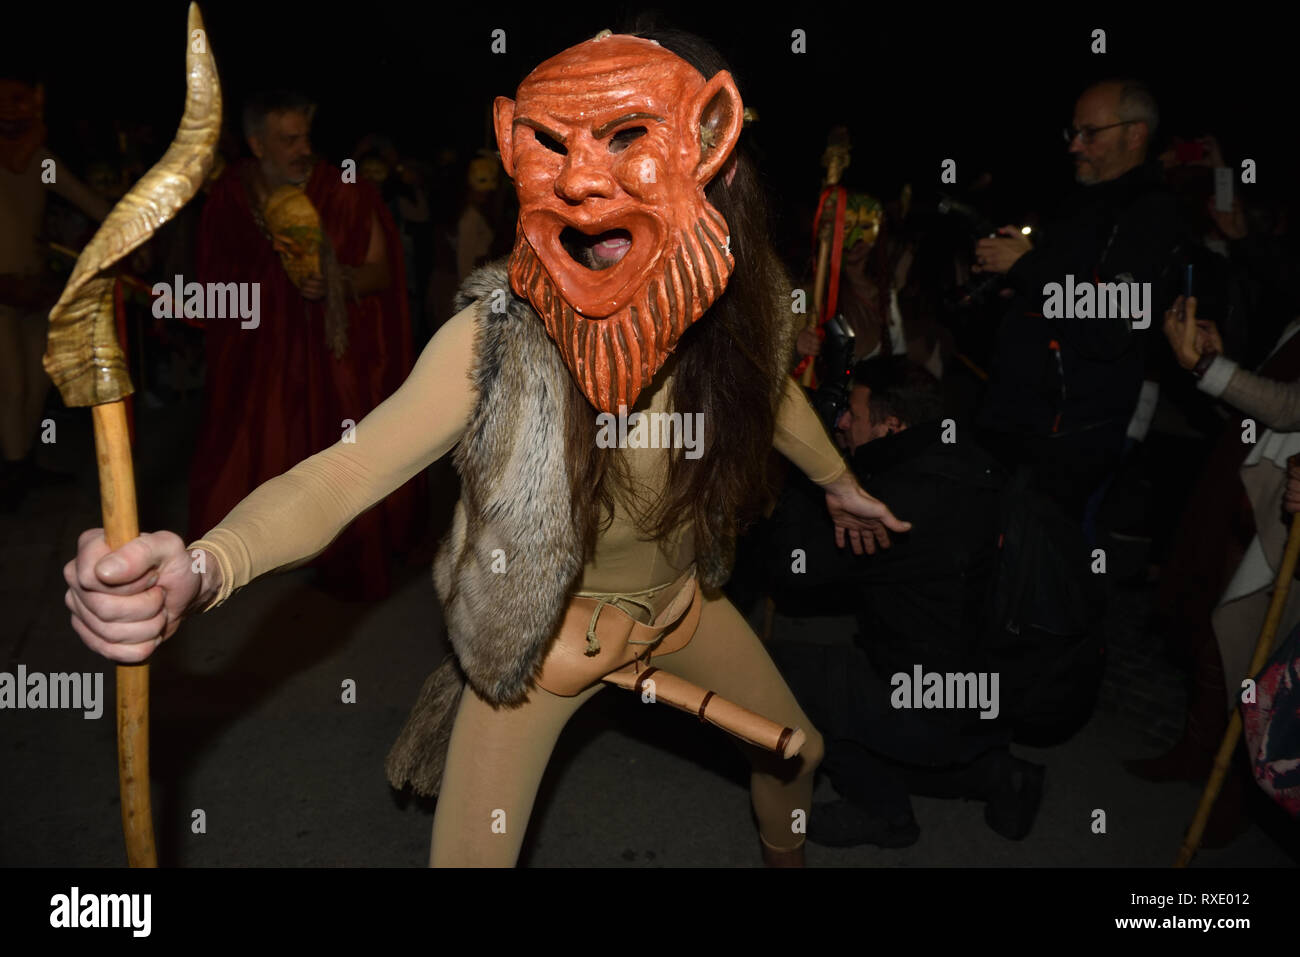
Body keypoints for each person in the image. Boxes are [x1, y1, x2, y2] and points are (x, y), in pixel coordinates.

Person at [62, 29, 909, 867]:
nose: (584, 188)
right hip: (544, 644)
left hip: (685, 607)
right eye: (556, 149)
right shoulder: (495, 337)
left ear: (713, 158)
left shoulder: (742, 305)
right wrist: (204, 568)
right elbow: (349, 469)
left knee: (799, 755)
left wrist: (840, 483)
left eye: (629, 141)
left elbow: (773, 396)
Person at [761, 357, 1044, 846]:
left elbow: (795, 566)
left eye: (853, 413)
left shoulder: (895, 503)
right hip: (991, 685)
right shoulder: (963, 457)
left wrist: (803, 465)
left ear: (892, 426)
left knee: (778, 675)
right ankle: (998, 774)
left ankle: (883, 813)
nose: (843, 422)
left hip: (926, 697)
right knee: (881, 698)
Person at [188, 90, 422, 599]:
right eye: (287, 139)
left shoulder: (344, 189)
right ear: (255, 143)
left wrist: (334, 282)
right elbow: (212, 279)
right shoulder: (231, 193)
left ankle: (336, 548)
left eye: (306, 137)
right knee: (255, 444)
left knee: (335, 453)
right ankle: (245, 550)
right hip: (258, 353)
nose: (302, 149)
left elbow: (382, 273)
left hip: (331, 355)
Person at [972, 79, 1186, 522]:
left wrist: (1028, 269)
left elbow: (1110, 322)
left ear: (1135, 134)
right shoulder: (1084, 202)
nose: (1075, 146)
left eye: (1091, 133)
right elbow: (1064, 293)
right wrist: (1017, 283)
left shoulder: (1151, 213)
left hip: (1062, 437)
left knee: (1035, 573)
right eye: (1073, 133)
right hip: (1021, 423)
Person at [0, 71, 110, 507]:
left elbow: (90, 202)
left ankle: (21, 463)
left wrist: (133, 228)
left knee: (38, 381)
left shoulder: (42, 161)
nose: (17, 110)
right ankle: (12, 477)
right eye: (8, 100)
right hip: (2, 294)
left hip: (34, 287)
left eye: (25, 100)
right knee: (11, 386)